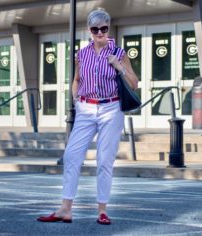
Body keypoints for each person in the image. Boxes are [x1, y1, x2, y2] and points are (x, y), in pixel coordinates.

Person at [37, 8, 138, 225]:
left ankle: (102, 210)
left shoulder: (119, 53)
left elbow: (134, 83)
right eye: (95, 29)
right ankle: (65, 209)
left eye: (104, 28)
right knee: (72, 155)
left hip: (111, 109)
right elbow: (77, 80)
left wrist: (118, 66)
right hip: (86, 108)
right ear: (89, 30)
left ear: (108, 28)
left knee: (104, 160)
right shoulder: (81, 54)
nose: (100, 32)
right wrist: (76, 100)